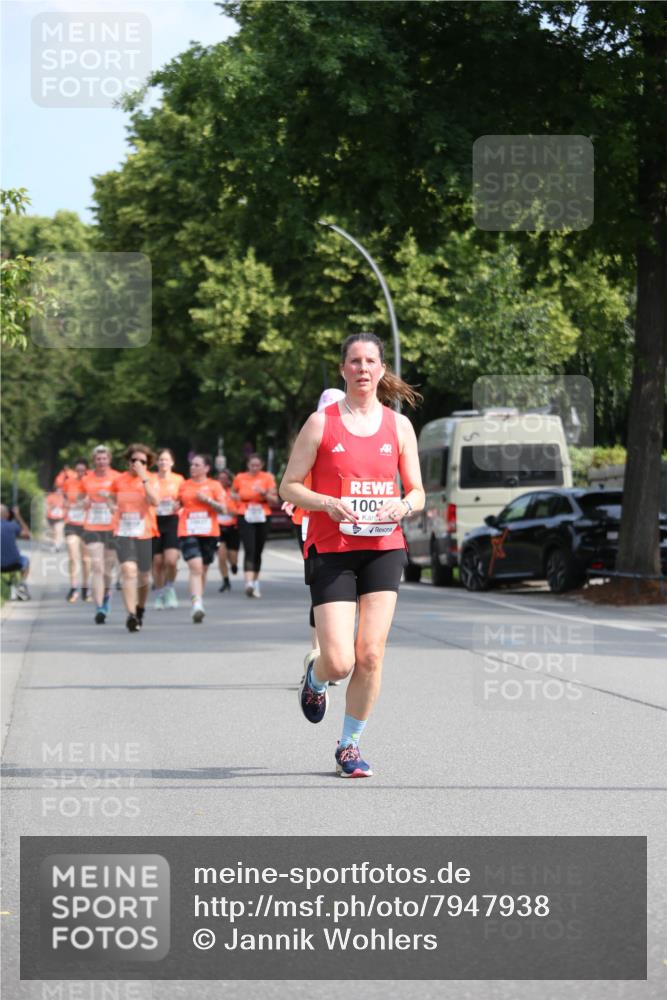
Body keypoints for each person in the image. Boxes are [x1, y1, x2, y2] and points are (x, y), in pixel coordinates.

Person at [280, 332, 424, 778]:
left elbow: (418, 491)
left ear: (382, 371)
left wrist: (404, 504)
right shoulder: (321, 423)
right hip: (333, 547)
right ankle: (317, 679)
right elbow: (288, 486)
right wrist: (325, 501)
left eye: (371, 362)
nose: (363, 369)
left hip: (383, 546)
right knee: (340, 659)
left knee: (371, 655)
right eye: (355, 361)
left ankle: (349, 745)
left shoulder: (398, 427)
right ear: (343, 369)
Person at [110, 444, 159, 633]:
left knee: (144, 575)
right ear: (127, 461)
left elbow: (155, 501)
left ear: (148, 464)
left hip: (145, 532)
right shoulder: (119, 480)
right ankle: (130, 614)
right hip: (123, 531)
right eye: (133, 460)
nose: (137, 464)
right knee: (128, 570)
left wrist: (143, 477)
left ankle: (140, 608)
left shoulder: (151, 479)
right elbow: (112, 499)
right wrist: (111, 505)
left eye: (142, 461)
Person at [177, 454, 226, 623]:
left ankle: (199, 599)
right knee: (195, 567)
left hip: (209, 532)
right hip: (188, 530)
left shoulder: (215, 485)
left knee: (203, 569)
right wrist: (176, 506)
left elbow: (223, 509)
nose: (192, 467)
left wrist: (208, 501)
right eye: (192, 465)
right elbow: (178, 503)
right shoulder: (184, 485)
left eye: (197, 465)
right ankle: (196, 603)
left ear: (206, 468)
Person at [81, 445, 119, 624]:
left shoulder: (117, 478)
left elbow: (124, 502)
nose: (101, 462)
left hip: (112, 526)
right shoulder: (87, 479)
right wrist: (85, 502)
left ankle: (106, 595)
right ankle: (99, 608)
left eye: (104, 459)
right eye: (98, 459)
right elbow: (80, 499)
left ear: (109, 460)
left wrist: (110, 499)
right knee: (97, 566)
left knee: (107, 570)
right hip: (93, 526)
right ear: (94, 461)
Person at [232, 454, 278, 598]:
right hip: (245, 514)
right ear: (248, 465)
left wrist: (263, 492)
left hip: (262, 514)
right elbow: (233, 493)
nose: (255, 468)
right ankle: (249, 583)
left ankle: (255, 581)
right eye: (252, 465)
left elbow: (274, 500)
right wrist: (236, 498)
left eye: (257, 465)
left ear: (262, 465)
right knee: (249, 548)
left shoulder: (267, 478)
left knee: (258, 550)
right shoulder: (240, 477)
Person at [152, 448, 184, 610]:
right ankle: (159, 593)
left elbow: (185, 499)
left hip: (172, 521)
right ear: (157, 463)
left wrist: (180, 504)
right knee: (157, 562)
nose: (163, 462)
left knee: (171, 561)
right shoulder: (150, 479)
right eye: (160, 460)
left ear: (172, 462)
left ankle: (169, 587)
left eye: (166, 459)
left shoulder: (179, 480)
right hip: (154, 521)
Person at [63, 459, 91, 603]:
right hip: (72, 523)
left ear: (86, 470)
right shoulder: (69, 483)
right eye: (78, 470)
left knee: (86, 559)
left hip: (86, 524)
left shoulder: (90, 482)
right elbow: (64, 500)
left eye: (83, 470)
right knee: (73, 556)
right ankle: (73, 588)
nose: (80, 473)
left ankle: (85, 589)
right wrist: (69, 504)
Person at [215, 468, 239, 592]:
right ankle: (226, 581)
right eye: (220, 478)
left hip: (233, 527)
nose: (222, 481)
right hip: (218, 527)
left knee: (232, 555)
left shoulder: (233, 493)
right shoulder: (214, 492)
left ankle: (234, 565)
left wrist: (229, 511)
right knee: (221, 556)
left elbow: (239, 510)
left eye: (225, 478)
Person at [1, 504, 31, 600]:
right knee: (26, 560)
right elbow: (27, 535)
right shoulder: (13, 525)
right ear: (7, 515)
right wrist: (18, 517)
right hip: (14, 563)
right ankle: (21, 584)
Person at [45, 487, 65, 552]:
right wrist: (53, 506)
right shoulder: (51, 496)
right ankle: (55, 544)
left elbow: (66, 506)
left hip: (60, 518)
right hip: (51, 517)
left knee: (58, 531)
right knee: (53, 532)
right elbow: (46, 507)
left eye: (62, 490)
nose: (60, 491)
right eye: (59, 490)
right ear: (56, 490)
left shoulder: (64, 497)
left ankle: (57, 546)